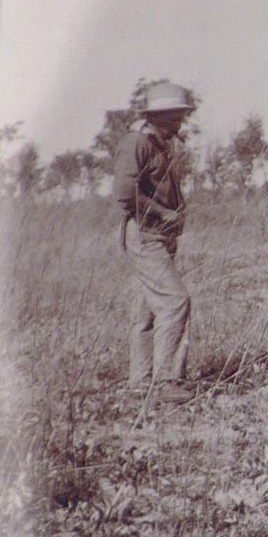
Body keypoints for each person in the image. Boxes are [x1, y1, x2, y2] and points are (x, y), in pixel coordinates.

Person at [113, 82, 195, 402]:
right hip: (146, 235)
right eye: (175, 117)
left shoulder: (160, 144)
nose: (180, 123)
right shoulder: (137, 143)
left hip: (157, 236)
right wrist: (164, 213)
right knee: (176, 302)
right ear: (159, 116)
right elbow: (124, 194)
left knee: (147, 311)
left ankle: (140, 381)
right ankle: (163, 382)